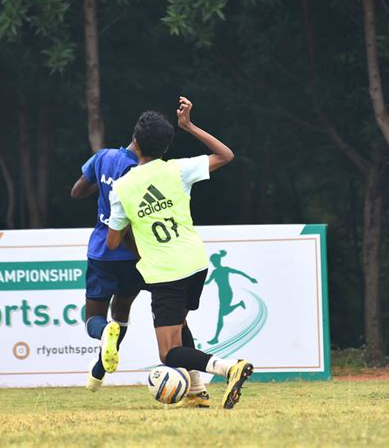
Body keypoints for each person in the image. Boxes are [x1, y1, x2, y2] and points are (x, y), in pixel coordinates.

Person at [107, 97, 254, 409]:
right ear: (166, 146)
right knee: (180, 324)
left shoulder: (120, 188)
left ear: (135, 143)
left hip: (165, 273)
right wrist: (189, 125)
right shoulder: (178, 169)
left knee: (168, 353)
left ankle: (229, 368)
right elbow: (226, 155)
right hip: (195, 263)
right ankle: (197, 391)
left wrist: (137, 226)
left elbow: (112, 241)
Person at [71, 144, 144, 392]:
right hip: (132, 255)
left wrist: (103, 187)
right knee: (122, 310)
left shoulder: (103, 157)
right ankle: (99, 371)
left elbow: (77, 192)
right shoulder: (140, 169)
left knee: (94, 318)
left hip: (103, 250)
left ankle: (104, 333)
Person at [206, 250, 258, 345]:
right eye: (213, 262)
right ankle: (239, 304)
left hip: (227, 293)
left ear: (218, 261)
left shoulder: (225, 269)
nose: (214, 263)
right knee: (223, 313)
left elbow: (239, 272)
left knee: (221, 315)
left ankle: (216, 338)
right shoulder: (215, 272)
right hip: (221, 294)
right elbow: (208, 282)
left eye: (214, 262)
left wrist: (250, 278)